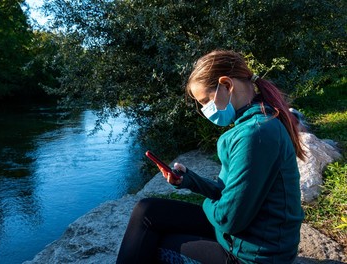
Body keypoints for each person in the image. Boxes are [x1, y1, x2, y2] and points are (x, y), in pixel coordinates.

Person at [116, 50, 305, 264]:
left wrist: (206, 204)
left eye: (206, 100)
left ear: (226, 85)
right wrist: (189, 180)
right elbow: (229, 194)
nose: (206, 110)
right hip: (250, 235)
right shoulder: (261, 119)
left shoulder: (255, 134)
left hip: (252, 256)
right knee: (147, 210)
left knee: (154, 242)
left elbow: (228, 218)